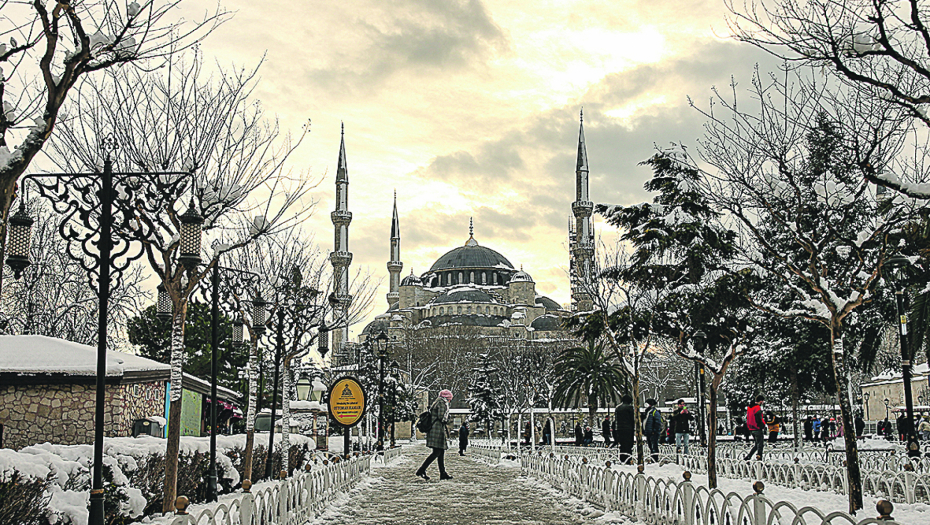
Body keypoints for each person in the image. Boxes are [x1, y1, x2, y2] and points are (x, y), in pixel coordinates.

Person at [415, 389, 453, 481]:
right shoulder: (441, 403)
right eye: (449, 399)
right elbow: (441, 417)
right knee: (436, 452)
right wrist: (448, 418)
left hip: (435, 430)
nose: (449, 401)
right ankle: (422, 470)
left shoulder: (437, 402)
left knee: (440, 452)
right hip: (437, 430)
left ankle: (443, 473)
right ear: (446, 398)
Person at [743, 395, 766, 461]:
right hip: (757, 428)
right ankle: (759, 458)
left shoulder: (749, 408)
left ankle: (748, 457)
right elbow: (758, 418)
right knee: (760, 444)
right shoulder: (757, 408)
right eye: (763, 401)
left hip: (751, 428)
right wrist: (762, 425)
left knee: (756, 444)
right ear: (760, 401)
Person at [615, 395, 635, 463]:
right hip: (628, 429)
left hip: (620, 429)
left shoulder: (618, 408)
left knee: (622, 445)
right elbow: (632, 419)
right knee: (628, 445)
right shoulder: (630, 408)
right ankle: (628, 459)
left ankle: (622, 458)